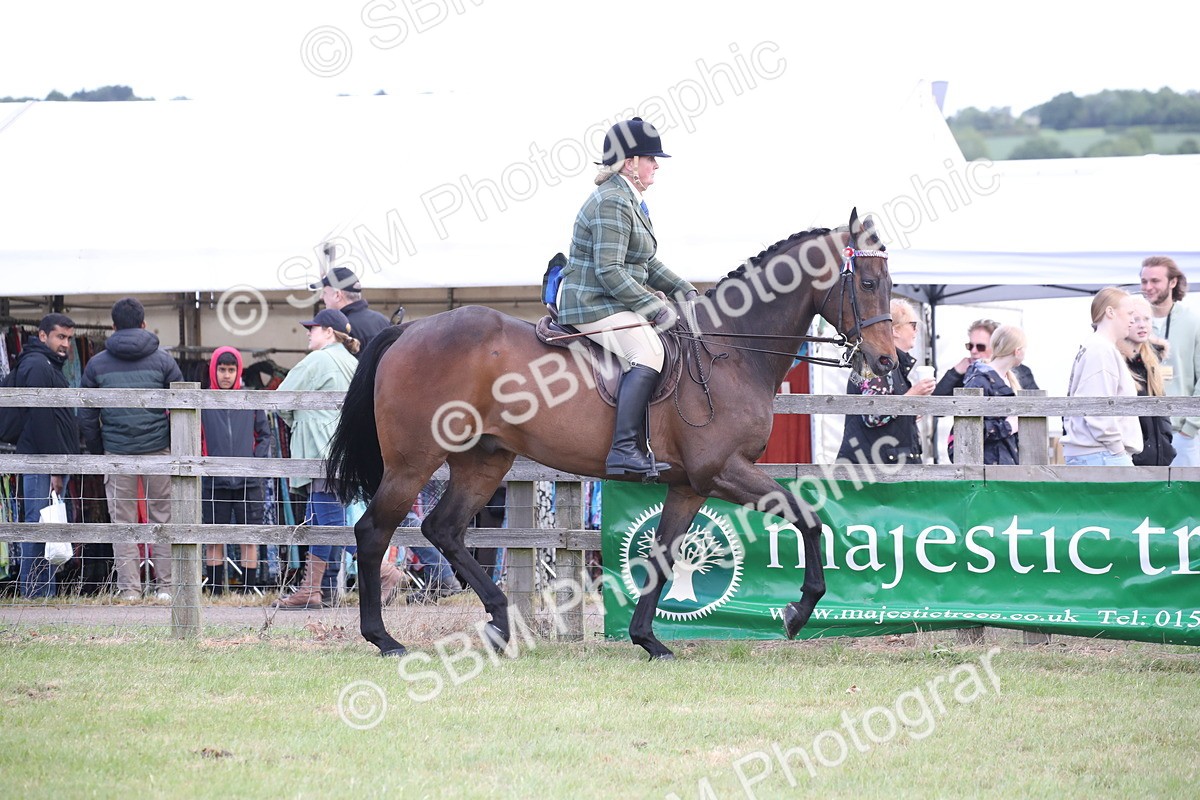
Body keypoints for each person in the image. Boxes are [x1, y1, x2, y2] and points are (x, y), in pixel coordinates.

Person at [556, 117, 699, 477]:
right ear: (630, 162)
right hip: (590, 301)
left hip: (610, 299)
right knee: (647, 351)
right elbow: (610, 271)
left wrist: (686, 291)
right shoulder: (612, 201)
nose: (656, 165)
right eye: (650, 158)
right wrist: (656, 308)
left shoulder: (631, 201)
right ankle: (623, 451)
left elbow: (646, 263)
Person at [271, 308, 402, 608]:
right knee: (323, 520)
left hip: (319, 451)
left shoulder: (319, 359)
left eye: (313, 328)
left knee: (328, 521)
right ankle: (315, 589)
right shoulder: (351, 361)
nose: (308, 332)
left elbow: (281, 397)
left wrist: (298, 421)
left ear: (328, 332)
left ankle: (384, 572)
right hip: (343, 451)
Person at [80, 298, 183, 602]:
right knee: (162, 519)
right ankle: (166, 588)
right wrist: (171, 445)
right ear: (143, 324)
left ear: (113, 326)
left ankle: (130, 591)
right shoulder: (164, 361)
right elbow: (182, 409)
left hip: (117, 451)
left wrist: (102, 449)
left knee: (122, 523)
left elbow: (86, 415)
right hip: (158, 450)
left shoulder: (96, 363)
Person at [11, 314, 80, 598]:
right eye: (59, 337)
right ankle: (36, 595)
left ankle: (42, 593)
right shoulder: (38, 365)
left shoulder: (47, 364)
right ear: (43, 336)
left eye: (68, 338)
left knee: (47, 525)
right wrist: (54, 466)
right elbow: (41, 420)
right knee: (40, 524)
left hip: (47, 460)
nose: (65, 344)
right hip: (40, 461)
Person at [200, 347, 270, 595]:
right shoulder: (203, 401)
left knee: (248, 536)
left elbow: (264, 435)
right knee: (214, 536)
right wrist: (204, 463)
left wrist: (254, 465)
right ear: (214, 370)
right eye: (222, 369)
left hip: (248, 481)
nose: (226, 375)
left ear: (238, 371)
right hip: (213, 481)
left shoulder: (251, 400)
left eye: (231, 370)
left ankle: (249, 590)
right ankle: (217, 590)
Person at [836, 299, 935, 465]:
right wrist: (912, 396)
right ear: (895, 330)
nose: (916, 331)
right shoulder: (876, 362)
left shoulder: (890, 363)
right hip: (871, 474)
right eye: (912, 325)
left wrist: (909, 413)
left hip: (885, 468)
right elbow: (873, 414)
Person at [1062, 288, 1143, 466]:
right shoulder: (1100, 350)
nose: (1132, 320)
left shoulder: (1097, 347)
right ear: (1110, 312)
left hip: (1098, 453)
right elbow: (1095, 407)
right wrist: (1117, 450)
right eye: (1129, 313)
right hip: (1101, 454)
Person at [1139, 255, 1200, 466]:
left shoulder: (1194, 321)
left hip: (1182, 432)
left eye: (1155, 281)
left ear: (1173, 282)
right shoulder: (1131, 321)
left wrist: (1190, 428)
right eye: (1144, 281)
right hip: (1143, 431)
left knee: (1186, 498)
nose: (1148, 287)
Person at [1120, 295, 1176, 467]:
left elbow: (1162, 410)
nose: (1142, 324)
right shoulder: (1115, 361)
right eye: (1135, 319)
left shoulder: (1152, 362)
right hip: (1129, 461)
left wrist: (1166, 440)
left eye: (1146, 319)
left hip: (1159, 460)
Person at [963, 325, 1027, 465]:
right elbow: (969, 430)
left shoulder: (1007, 379)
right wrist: (1008, 426)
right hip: (986, 468)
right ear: (1017, 351)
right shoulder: (979, 381)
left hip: (1005, 462)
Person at [934, 318, 1040, 396]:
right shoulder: (967, 371)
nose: (973, 351)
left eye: (980, 346)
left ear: (995, 346)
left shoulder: (1022, 372)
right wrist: (955, 372)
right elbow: (936, 408)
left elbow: (1037, 406)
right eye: (970, 346)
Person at [311, 266, 392, 352]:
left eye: (324, 292)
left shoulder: (340, 329)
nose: (321, 297)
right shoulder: (383, 320)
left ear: (337, 295)